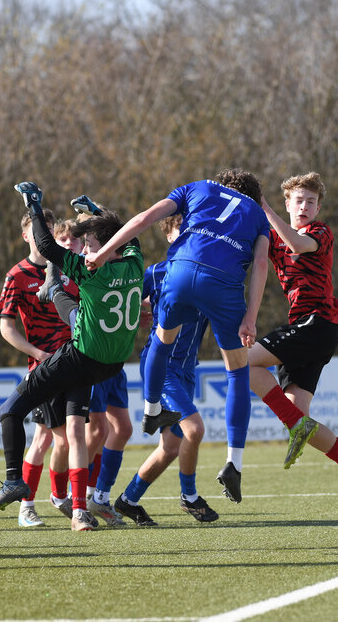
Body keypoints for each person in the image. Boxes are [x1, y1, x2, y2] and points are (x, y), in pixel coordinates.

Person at [85, 169, 270, 504]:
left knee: (161, 339)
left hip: (181, 270)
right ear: (255, 197)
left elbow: (142, 218)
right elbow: (260, 265)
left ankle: (151, 409)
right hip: (224, 286)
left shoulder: (198, 188)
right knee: (238, 373)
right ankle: (234, 462)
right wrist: (251, 319)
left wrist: (100, 254)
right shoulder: (257, 215)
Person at [0, 182, 143, 532]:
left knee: (9, 410)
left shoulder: (90, 270)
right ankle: (78, 509)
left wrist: (34, 206)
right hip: (108, 363)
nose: (85, 251)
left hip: (79, 357)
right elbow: (126, 235)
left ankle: (14, 481)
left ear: (105, 248)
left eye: (89, 245)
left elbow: (44, 245)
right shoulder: (134, 263)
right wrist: (96, 210)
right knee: (74, 434)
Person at [253, 173, 338, 505]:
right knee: (298, 420)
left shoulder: (319, 232)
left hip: (317, 324)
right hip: (303, 328)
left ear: (318, 207)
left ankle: (296, 429)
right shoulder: (274, 235)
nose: (305, 206)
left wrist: (263, 207)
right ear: (288, 204)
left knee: (242, 360)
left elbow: (295, 244)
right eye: (299, 200)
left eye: (311, 201)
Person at [115, 215, 218, 526]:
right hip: (162, 367)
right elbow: (127, 300)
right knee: (195, 430)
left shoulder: (211, 275)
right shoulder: (157, 273)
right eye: (181, 231)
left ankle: (128, 500)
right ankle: (189, 497)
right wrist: (140, 311)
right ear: (170, 236)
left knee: (171, 447)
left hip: (188, 370)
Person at [0, 210, 76, 527]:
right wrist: (36, 353)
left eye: (48, 230)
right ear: (26, 235)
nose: (43, 236)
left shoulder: (68, 268)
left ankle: (56, 497)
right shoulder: (17, 275)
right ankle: (28, 505)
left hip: (75, 365)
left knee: (66, 438)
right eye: (36, 230)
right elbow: (6, 327)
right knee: (48, 439)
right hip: (45, 369)